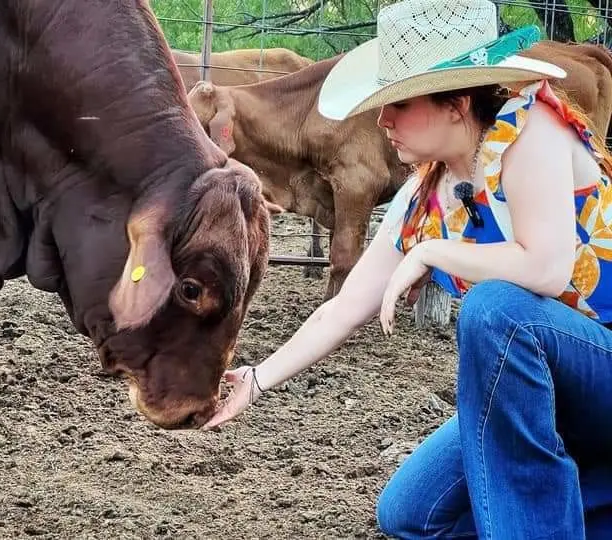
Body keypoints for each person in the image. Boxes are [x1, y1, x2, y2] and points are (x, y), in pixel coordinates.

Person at [202, 0, 612, 537]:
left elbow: (547, 268)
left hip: (598, 364)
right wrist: (254, 380)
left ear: (457, 102)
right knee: (411, 514)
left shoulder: (531, 131)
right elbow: (345, 308)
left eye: (400, 101)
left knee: (498, 311)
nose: (382, 119)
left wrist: (430, 253)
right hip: (542, 393)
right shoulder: (425, 194)